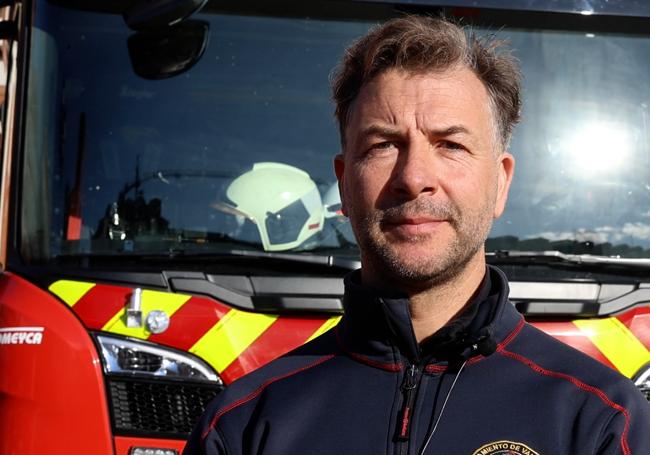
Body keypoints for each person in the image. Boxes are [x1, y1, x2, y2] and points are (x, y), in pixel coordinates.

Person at [185, 16, 650, 455]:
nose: (414, 176)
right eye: (383, 144)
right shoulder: (239, 426)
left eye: (451, 145)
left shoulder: (603, 423)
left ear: (501, 183)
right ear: (344, 182)